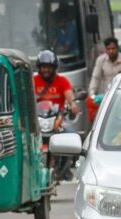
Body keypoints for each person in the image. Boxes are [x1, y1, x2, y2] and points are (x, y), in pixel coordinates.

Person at [34, 50, 79, 181]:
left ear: (54, 68)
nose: (46, 70)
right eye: (43, 67)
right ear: (39, 68)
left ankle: (66, 167)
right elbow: (26, 96)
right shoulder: (33, 81)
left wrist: (73, 104)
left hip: (58, 119)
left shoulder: (62, 81)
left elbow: (69, 96)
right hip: (38, 120)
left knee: (71, 136)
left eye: (48, 67)